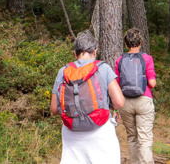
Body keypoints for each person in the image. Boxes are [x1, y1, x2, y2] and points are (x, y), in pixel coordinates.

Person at [50, 31, 125, 164]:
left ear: (75, 53)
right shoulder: (103, 68)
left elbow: (54, 109)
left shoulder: (63, 71)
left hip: (71, 133)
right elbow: (119, 102)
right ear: (95, 52)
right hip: (100, 130)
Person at [115, 28, 157, 164]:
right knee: (144, 138)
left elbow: (117, 84)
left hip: (126, 102)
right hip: (143, 100)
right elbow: (152, 83)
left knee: (132, 137)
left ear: (126, 44)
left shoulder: (120, 60)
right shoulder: (147, 58)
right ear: (140, 42)